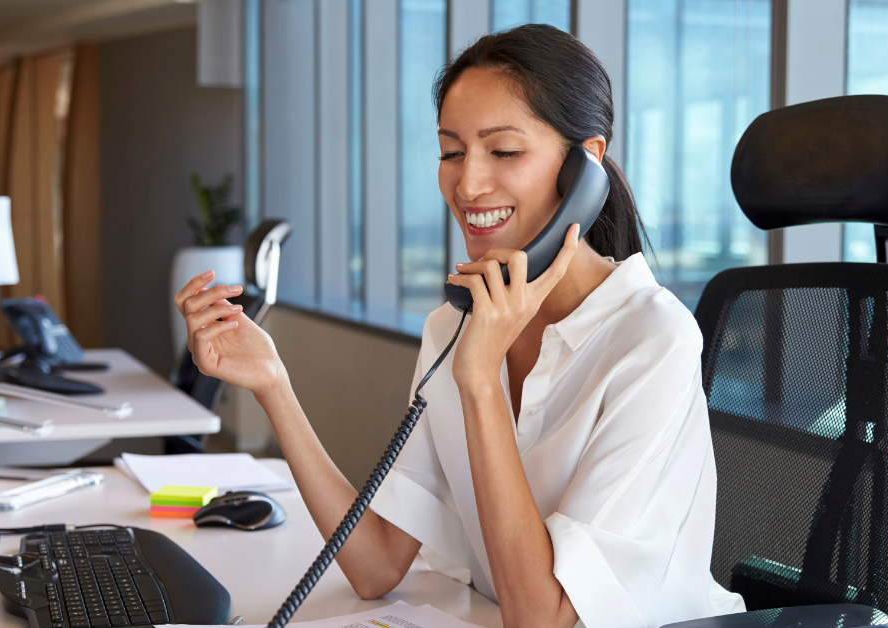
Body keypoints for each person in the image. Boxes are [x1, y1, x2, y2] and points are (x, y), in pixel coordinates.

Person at [174, 24, 744, 628]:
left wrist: (478, 383)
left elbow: (542, 619)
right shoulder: (452, 326)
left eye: (503, 151)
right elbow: (375, 565)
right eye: (451, 151)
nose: (468, 184)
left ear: (586, 167)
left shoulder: (651, 339)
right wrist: (273, 385)